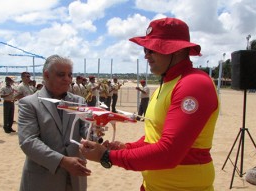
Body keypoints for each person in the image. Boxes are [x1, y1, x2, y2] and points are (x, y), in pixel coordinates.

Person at [79, 17, 219, 191]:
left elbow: (169, 153)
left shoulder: (194, 83)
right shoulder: (168, 84)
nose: (146, 55)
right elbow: (154, 137)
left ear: (176, 50)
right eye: (145, 49)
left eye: (152, 49)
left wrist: (107, 156)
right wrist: (126, 148)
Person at [18, 55, 91, 191]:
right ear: (46, 75)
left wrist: (94, 131)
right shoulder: (29, 103)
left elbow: (85, 128)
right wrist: (62, 161)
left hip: (75, 178)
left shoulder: (79, 101)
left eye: (70, 75)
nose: (67, 79)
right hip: (43, 180)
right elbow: (28, 141)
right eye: (61, 75)